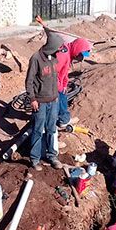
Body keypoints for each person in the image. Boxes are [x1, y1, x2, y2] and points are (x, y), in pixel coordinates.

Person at [36, 15, 92, 128]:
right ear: (78, 50)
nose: (80, 59)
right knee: (60, 97)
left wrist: (64, 84)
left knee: (62, 94)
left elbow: (64, 72)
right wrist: (58, 86)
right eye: (81, 56)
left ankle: (60, 118)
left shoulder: (68, 52)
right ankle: (62, 120)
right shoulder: (63, 55)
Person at [25, 31, 64, 171]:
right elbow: (29, 81)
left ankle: (52, 155)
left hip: (53, 101)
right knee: (38, 129)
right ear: (52, 46)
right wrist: (33, 99)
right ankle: (35, 159)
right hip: (40, 102)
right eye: (58, 47)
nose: (59, 50)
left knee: (52, 128)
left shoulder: (53, 57)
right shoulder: (36, 58)